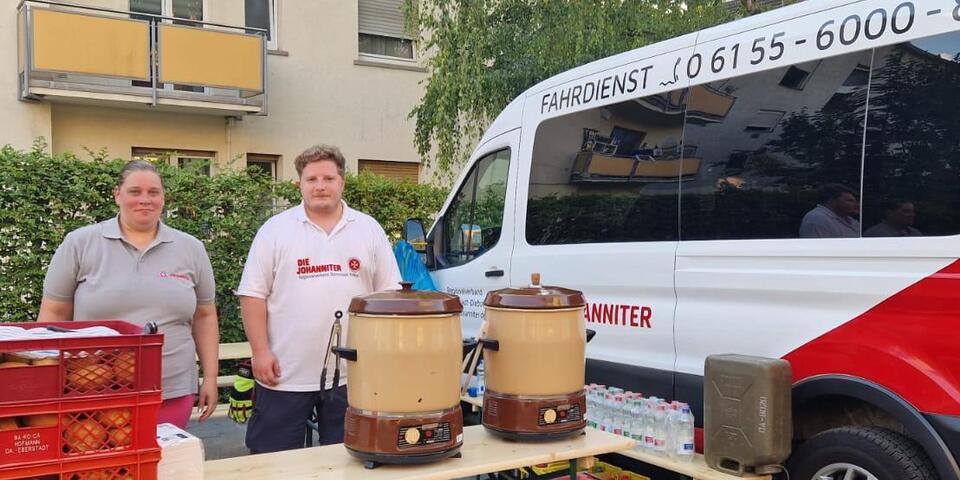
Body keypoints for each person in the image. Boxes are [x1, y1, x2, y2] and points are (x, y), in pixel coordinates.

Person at [237, 144, 401, 454]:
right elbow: (253, 296)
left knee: (348, 460)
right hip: (284, 374)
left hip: (353, 376)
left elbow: (388, 298)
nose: (320, 186)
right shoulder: (275, 230)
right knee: (272, 464)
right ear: (299, 183)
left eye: (328, 178)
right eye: (311, 179)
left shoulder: (368, 229)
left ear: (342, 183)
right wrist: (260, 352)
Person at [38, 160, 220, 428]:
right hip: (92, 386)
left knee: (164, 464)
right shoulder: (81, 243)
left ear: (163, 197)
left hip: (171, 387)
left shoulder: (191, 248)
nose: (144, 200)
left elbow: (205, 316)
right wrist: (47, 374)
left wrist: (211, 378)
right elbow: (53, 314)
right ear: (117, 195)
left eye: (153, 192)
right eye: (135, 192)